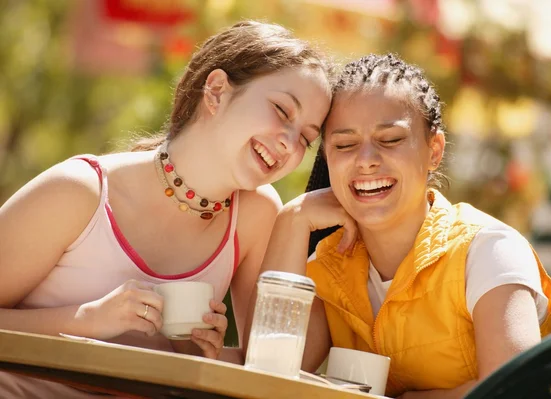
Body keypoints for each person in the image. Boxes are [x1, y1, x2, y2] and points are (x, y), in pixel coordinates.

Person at [0, 21, 332, 397]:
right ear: (217, 90)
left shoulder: (257, 215)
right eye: (282, 111)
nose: (291, 143)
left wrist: (200, 353)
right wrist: (88, 320)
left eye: (307, 138)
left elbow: (273, 367)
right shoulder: (79, 191)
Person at [247, 54, 551, 399]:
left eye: (391, 139)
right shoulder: (329, 268)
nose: (366, 160)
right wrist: (293, 219)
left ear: (434, 150)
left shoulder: (487, 250)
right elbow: (265, 380)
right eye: (345, 145)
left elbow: (517, 392)